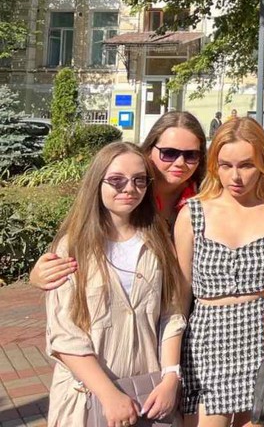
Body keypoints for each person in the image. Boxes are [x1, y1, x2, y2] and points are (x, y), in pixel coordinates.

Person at [45, 142, 186, 427]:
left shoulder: (158, 240)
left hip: (148, 394)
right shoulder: (72, 247)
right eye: (116, 180)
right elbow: (64, 334)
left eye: (139, 180)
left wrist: (171, 377)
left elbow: (171, 314)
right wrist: (109, 395)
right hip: (85, 398)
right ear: (97, 183)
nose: (129, 188)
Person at [175, 117, 264, 427]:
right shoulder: (193, 213)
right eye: (225, 165)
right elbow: (181, 296)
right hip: (206, 341)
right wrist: (170, 364)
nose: (236, 176)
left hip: (263, 337)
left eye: (246, 165)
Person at [30, 110, 208, 291]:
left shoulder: (206, 201)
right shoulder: (126, 195)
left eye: (191, 155)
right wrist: (38, 275)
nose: (180, 162)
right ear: (148, 151)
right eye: (169, 153)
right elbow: (81, 235)